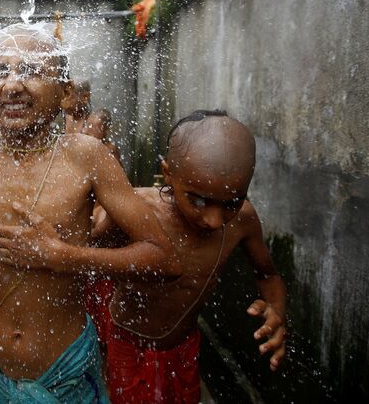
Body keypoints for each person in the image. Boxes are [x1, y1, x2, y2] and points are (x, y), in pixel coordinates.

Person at [0, 23, 180, 402]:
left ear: (62, 93)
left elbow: (163, 259)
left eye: (29, 71)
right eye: (0, 71)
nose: (11, 85)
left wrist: (65, 257)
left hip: (65, 373)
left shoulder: (86, 156)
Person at [91, 110, 288, 403]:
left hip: (184, 346)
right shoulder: (138, 208)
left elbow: (267, 274)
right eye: (197, 199)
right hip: (128, 342)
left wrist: (277, 311)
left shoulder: (244, 220)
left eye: (232, 202)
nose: (213, 220)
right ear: (168, 173)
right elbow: (90, 253)